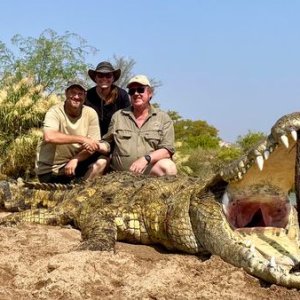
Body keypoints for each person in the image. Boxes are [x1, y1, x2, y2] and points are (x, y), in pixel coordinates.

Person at [35, 81, 110, 184]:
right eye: (73, 93)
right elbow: (49, 136)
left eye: (80, 93)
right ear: (66, 94)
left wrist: (75, 159)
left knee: (103, 161)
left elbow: (93, 145)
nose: (76, 96)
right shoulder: (54, 111)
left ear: (85, 95)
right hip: (51, 170)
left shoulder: (90, 113)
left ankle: (82, 194)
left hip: (74, 164)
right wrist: (82, 139)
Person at [103, 75, 177, 176]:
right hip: (119, 176)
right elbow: (107, 143)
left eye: (140, 90)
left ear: (150, 93)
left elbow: (167, 150)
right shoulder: (118, 116)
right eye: (132, 91)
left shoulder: (163, 118)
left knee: (169, 166)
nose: (136, 94)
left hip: (149, 173)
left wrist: (146, 159)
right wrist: (94, 145)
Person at [85, 61, 130, 135]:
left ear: (113, 78)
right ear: (95, 78)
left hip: (116, 137)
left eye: (108, 75)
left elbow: (128, 119)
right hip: (93, 138)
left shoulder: (122, 95)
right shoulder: (88, 95)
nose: (104, 78)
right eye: (100, 75)